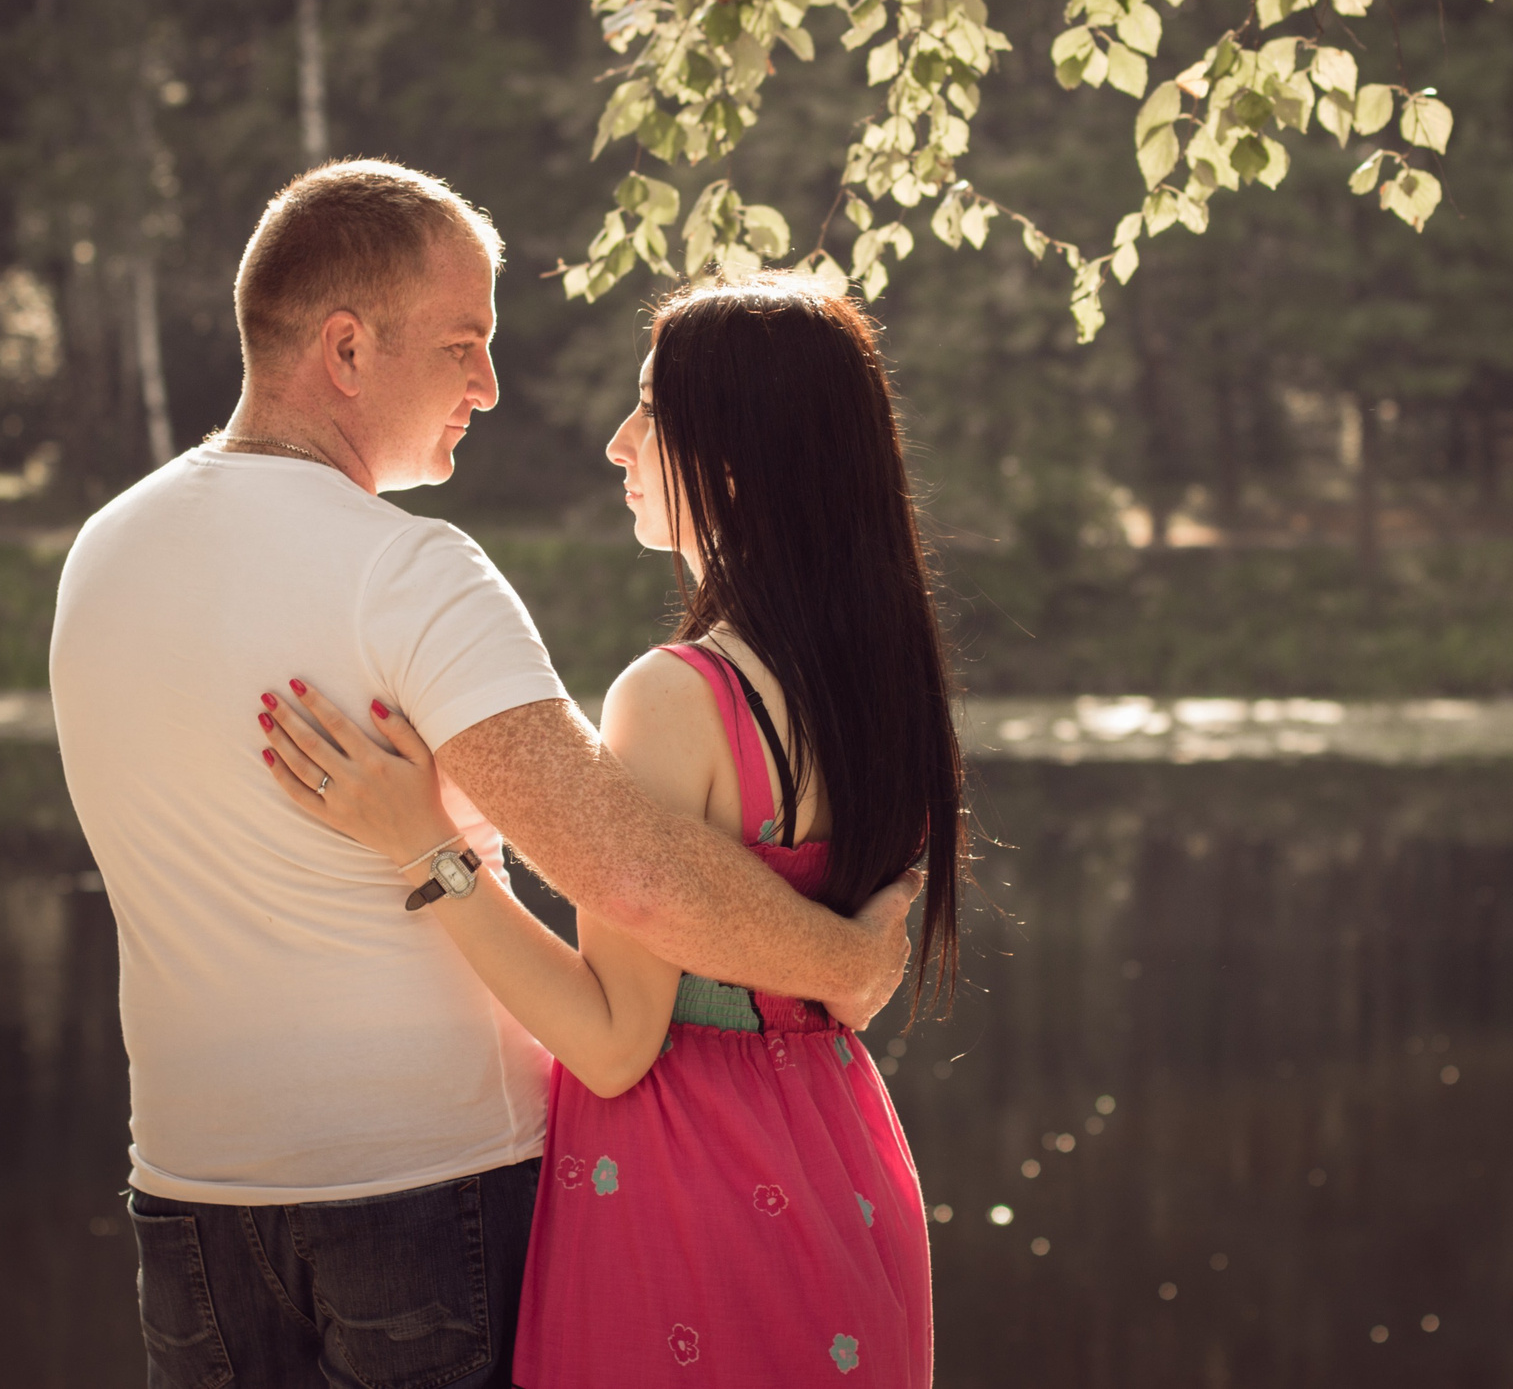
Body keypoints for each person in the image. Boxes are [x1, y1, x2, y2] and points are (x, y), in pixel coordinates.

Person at [49, 162, 917, 1389]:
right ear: (346, 349)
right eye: (463, 344)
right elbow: (630, 872)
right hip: (425, 1195)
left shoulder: (104, 550)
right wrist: (848, 966)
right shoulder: (407, 572)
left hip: (188, 1195)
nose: (490, 386)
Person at [256, 273, 964, 1387]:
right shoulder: (887, 692)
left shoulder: (678, 695)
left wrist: (429, 849)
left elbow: (612, 1041)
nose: (618, 443)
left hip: (693, 1188)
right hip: (847, 1166)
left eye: (649, 410)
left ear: (735, 456)